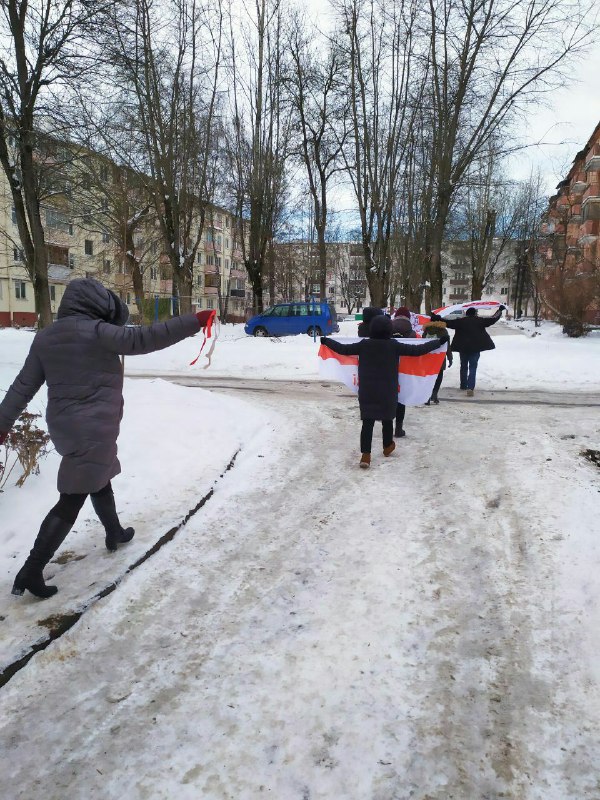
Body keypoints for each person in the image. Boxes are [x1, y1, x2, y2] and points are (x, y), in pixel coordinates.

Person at [0, 278, 215, 599]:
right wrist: (194, 321)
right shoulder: (97, 332)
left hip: (66, 427)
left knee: (99, 475)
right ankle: (31, 569)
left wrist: (2, 424)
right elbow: (145, 338)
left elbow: (21, 387)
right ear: (94, 305)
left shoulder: (45, 338)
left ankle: (113, 531)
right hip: (95, 426)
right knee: (73, 495)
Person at [321, 315, 449, 468]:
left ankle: (365, 456)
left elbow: (343, 349)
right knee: (387, 419)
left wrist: (327, 341)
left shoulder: (364, 345)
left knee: (367, 422)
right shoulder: (393, 345)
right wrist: (438, 342)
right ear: (389, 330)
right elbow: (417, 350)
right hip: (388, 389)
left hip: (367, 390)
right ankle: (387, 446)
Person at [430, 305, 505, 397]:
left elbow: (448, 323)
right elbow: (492, 319)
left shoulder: (460, 321)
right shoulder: (480, 321)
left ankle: (463, 385)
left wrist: (437, 317)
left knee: (464, 366)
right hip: (476, 348)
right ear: (475, 314)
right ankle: (470, 388)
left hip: (463, 348)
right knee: (473, 367)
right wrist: (499, 311)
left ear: (466, 313)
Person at [391, 306, 417, 437]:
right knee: (402, 399)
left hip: (388, 369)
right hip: (405, 371)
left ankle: (388, 426)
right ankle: (398, 428)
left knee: (389, 398)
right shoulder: (412, 334)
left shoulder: (387, 329)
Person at [422, 320, 453, 404]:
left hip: (428, 358)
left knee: (428, 377)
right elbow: (447, 346)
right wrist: (450, 358)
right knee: (439, 376)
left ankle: (427, 396)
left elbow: (422, 344)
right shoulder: (443, 331)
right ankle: (434, 394)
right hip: (440, 358)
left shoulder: (426, 330)